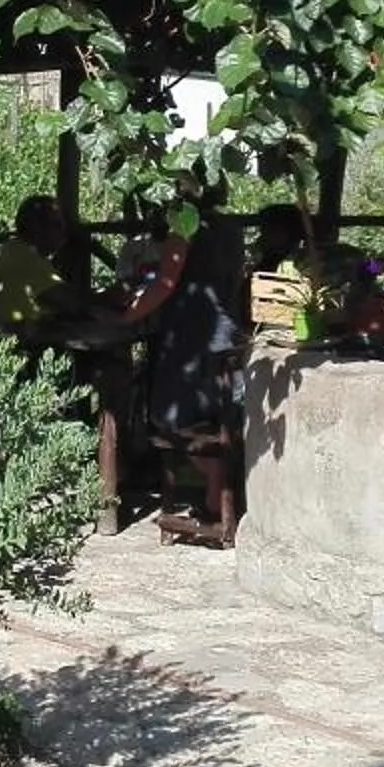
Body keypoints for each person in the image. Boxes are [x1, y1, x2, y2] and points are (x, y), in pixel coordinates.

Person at [146, 218, 249, 547]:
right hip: (224, 339)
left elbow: (164, 283)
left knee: (170, 416)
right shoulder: (230, 231)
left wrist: (127, 315)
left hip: (196, 340)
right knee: (221, 413)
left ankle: (215, 489)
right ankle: (217, 491)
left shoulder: (186, 226)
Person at [0, 195, 76, 338]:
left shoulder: (11, 248)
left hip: (0, 336)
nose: (64, 232)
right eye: (57, 225)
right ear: (36, 228)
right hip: (8, 341)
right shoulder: (27, 258)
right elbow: (67, 302)